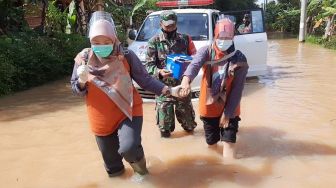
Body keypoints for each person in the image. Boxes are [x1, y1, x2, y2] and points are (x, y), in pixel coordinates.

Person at [70, 11, 181, 177]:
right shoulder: (83, 59)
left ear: (114, 39)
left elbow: (145, 80)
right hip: (100, 117)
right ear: (90, 42)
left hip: (128, 110)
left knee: (129, 148)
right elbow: (76, 90)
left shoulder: (126, 56)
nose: (101, 45)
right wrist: (81, 81)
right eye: (96, 42)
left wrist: (169, 90)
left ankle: (143, 174)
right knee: (112, 167)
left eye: (106, 41)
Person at [179, 18, 249, 159]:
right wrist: (186, 81)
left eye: (228, 37)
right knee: (212, 144)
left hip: (231, 106)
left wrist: (228, 114)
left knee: (229, 143)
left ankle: (230, 173)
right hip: (209, 107)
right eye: (221, 37)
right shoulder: (206, 51)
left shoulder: (239, 58)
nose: (224, 40)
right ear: (215, 36)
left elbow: (237, 89)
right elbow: (194, 65)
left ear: (233, 37)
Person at [145, 10, 197, 138]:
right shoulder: (154, 42)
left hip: (182, 88)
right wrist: (159, 72)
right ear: (161, 24)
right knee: (165, 130)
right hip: (163, 90)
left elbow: (195, 61)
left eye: (172, 25)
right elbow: (148, 66)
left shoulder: (185, 39)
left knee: (189, 126)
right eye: (167, 25)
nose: (170, 28)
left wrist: (188, 70)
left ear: (176, 24)